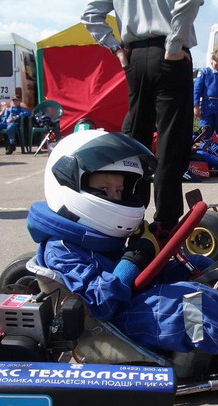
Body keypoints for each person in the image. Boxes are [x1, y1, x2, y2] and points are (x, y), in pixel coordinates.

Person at [27, 130, 218, 355]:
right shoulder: (61, 251)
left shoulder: (93, 236)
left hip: (129, 299)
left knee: (198, 267)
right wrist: (135, 258)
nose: (116, 196)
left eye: (120, 190)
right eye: (104, 190)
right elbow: (101, 302)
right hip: (109, 324)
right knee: (194, 306)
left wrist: (150, 245)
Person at [81, 0, 202, 232]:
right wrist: (174, 44)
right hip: (169, 53)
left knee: (137, 142)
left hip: (134, 56)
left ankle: (131, 216)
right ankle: (165, 224)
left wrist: (116, 49)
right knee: (171, 142)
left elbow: (90, 15)